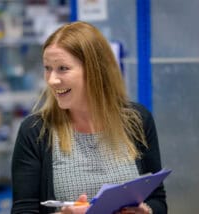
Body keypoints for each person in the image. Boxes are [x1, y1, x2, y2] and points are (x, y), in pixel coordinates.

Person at [11, 21, 167, 214]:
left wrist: (146, 211)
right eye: (47, 68)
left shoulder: (137, 120)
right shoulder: (35, 130)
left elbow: (158, 199)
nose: (51, 80)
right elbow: (23, 210)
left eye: (63, 68)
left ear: (95, 71)